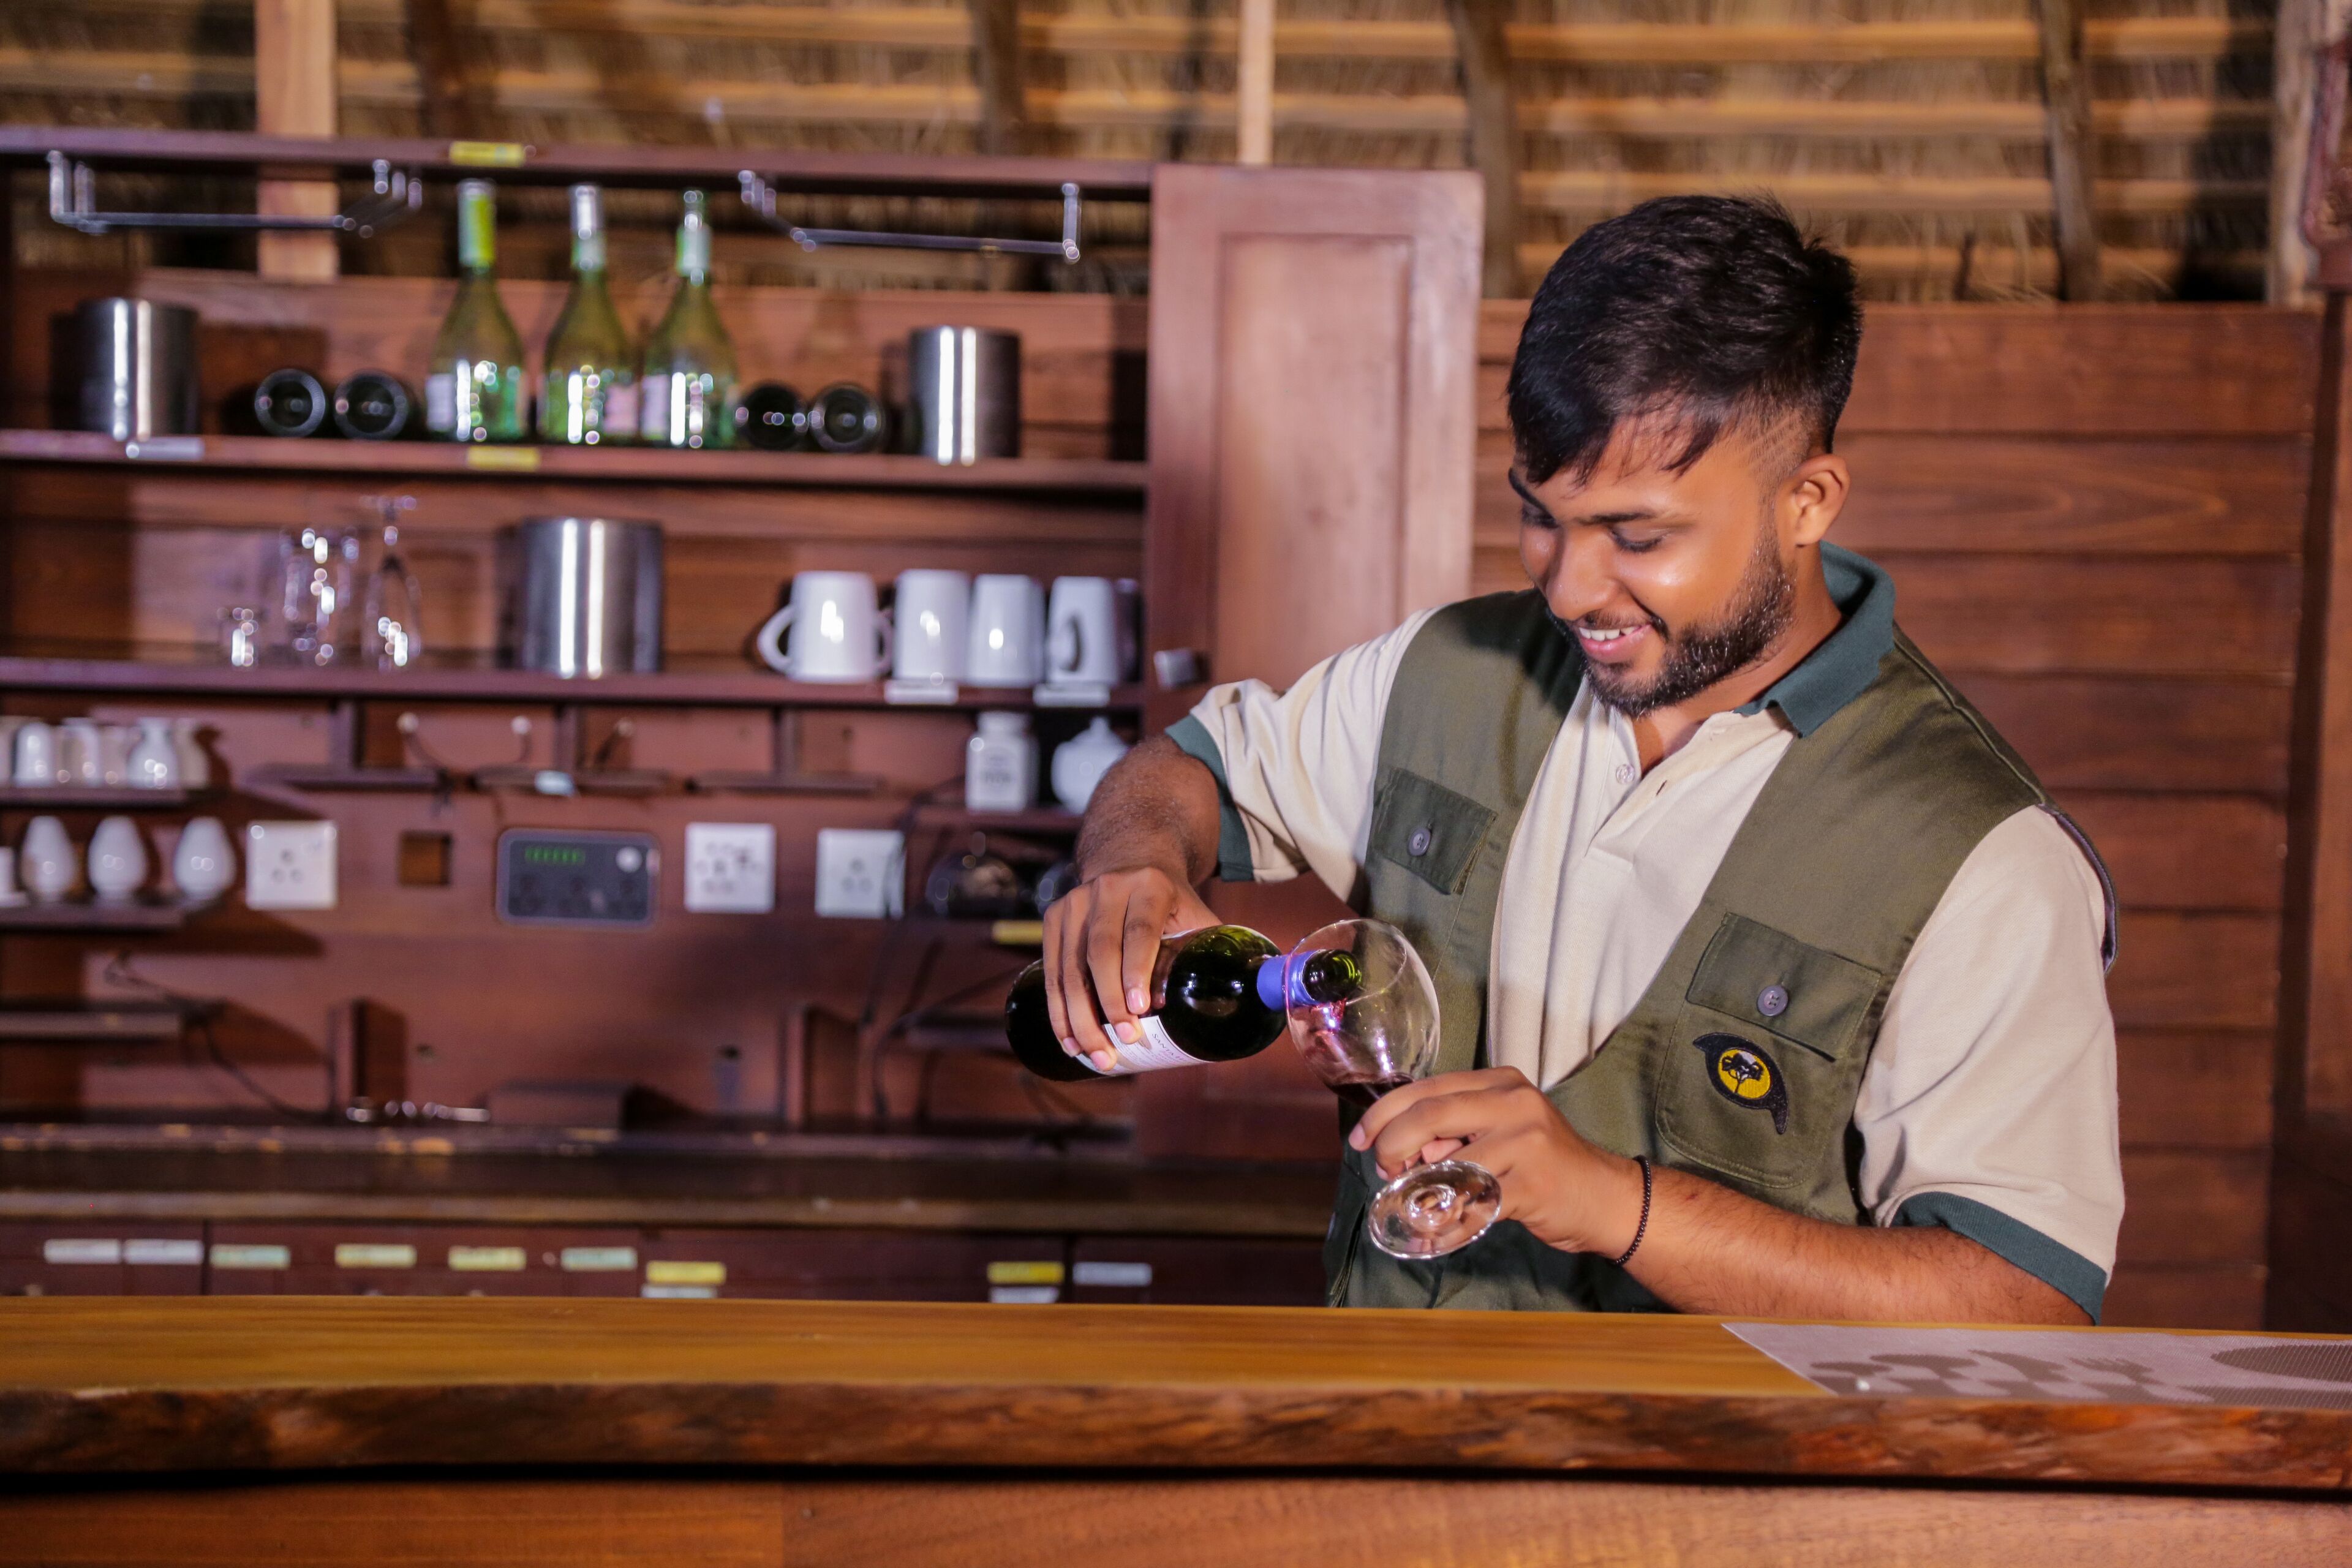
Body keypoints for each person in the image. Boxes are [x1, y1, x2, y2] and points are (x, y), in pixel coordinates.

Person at [1041, 196, 2122, 1322]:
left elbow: (2024, 1303)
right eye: (1542, 516)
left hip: (1704, 1492)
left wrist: (1614, 1204)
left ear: (1807, 502)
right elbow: (1189, 769)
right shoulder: (1445, 670)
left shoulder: (1980, 855)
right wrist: (1134, 862)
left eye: (1639, 537)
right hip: (1388, 1440)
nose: (1567, 588)